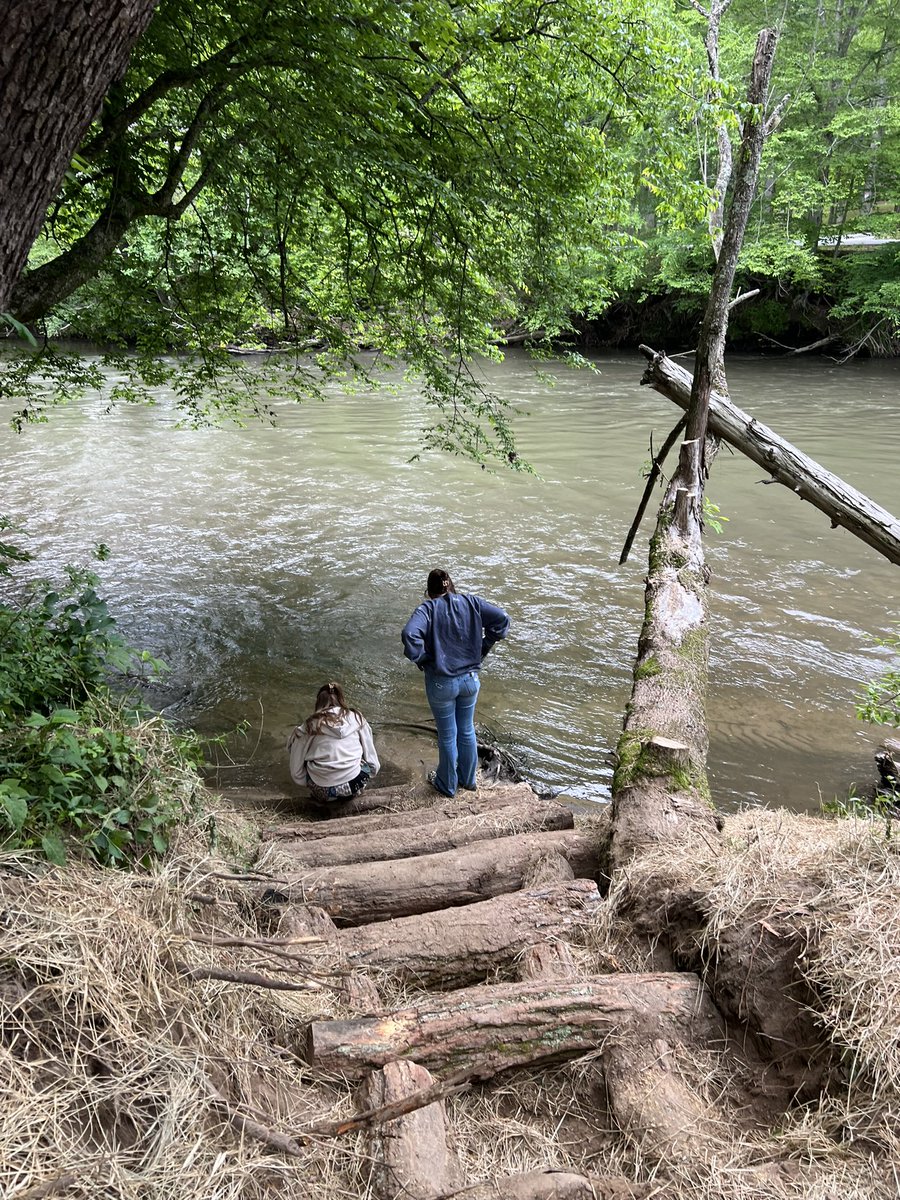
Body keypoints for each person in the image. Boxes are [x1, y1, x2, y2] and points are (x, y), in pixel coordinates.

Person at [401, 568, 510, 798]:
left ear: (429, 592)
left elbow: (410, 635)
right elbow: (502, 619)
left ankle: (447, 785)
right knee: (467, 730)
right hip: (470, 680)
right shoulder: (472, 603)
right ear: (451, 586)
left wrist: (423, 658)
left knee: (448, 735)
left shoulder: (427, 609)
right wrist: (485, 644)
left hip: (442, 683)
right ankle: (468, 780)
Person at [287, 682, 380, 802]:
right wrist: (368, 775)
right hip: (354, 784)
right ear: (341, 699)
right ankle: (351, 794)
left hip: (322, 790)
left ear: (318, 702)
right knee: (360, 757)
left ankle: (326, 797)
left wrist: (307, 781)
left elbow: (296, 771)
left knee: (303, 754)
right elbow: (373, 761)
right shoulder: (357, 719)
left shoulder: (309, 726)